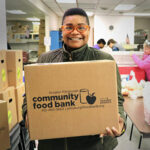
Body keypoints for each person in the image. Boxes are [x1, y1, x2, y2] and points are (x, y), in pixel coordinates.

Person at [22, 8, 125, 150]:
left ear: (88, 30)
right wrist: (28, 113)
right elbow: (30, 97)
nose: (75, 32)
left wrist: (121, 124)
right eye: (69, 27)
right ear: (62, 30)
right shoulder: (45, 59)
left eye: (81, 27)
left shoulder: (104, 60)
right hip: (53, 144)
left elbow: (117, 99)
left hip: (94, 144)